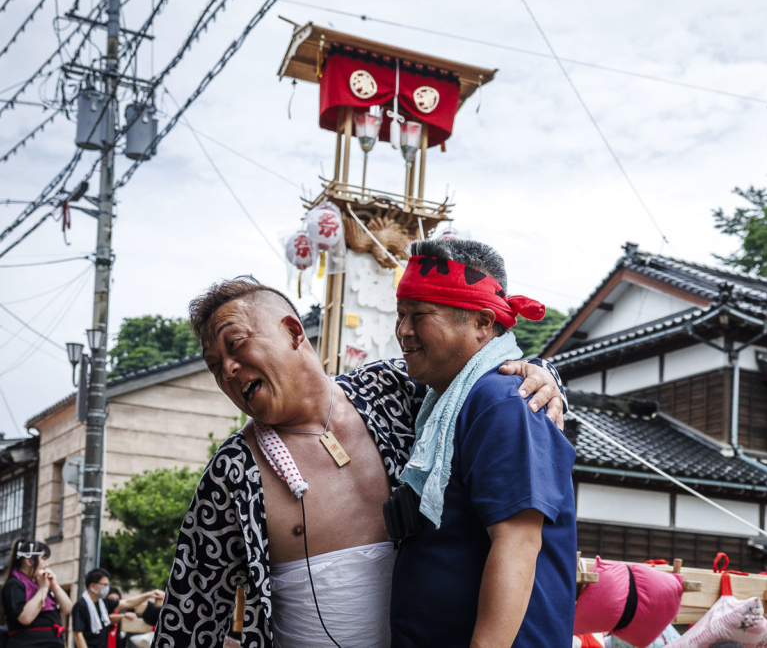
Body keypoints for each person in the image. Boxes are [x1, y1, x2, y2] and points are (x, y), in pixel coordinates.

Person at [154, 276, 566, 648]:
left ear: (294, 331)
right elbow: (189, 617)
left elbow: (482, 376)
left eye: (236, 344)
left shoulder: (395, 389)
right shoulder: (232, 472)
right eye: (213, 365)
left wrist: (544, 376)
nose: (227, 369)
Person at [388, 239, 577, 647]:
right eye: (400, 315)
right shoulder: (445, 396)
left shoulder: (504, 401)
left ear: (482, 324)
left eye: (420, 316)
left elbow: (519, 543)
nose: (403, 330)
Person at [0, 540, 74, 647]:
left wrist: (55, 586)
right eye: (43, 559)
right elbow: (25, 618)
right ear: (29, 561)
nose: (47, 564)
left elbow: (67, 608)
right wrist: (43, 589)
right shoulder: (14, 585)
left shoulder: (41, 584)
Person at [71, 569, 162, 648]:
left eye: (108, 584)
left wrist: (148, 595)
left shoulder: (103, 603)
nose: (107, 588)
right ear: (92, 586)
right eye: (104, 584)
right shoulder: (81, 605)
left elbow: (127, 603)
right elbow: (78, 634)